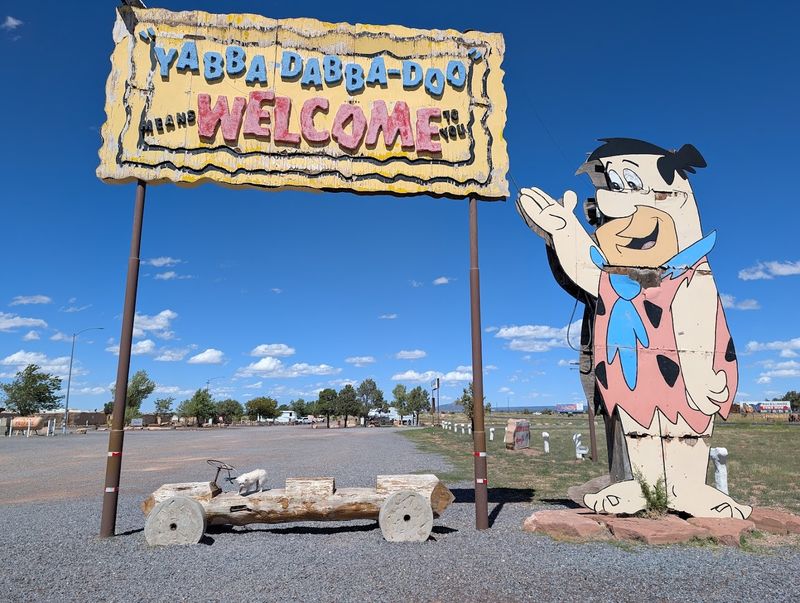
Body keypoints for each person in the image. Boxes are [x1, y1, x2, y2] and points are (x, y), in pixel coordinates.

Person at [517, 138, 750, 518]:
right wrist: (562, 231)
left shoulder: (692, 272)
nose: (607, 203)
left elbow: (700, 310)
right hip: (633, 365)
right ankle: (641, 485)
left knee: (687, 417)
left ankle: (688, 486)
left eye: (624, 186)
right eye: (609, 187)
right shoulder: (618, 279)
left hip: (684, 366)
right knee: (636, 414)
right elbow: (590, 271)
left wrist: (698, 369)